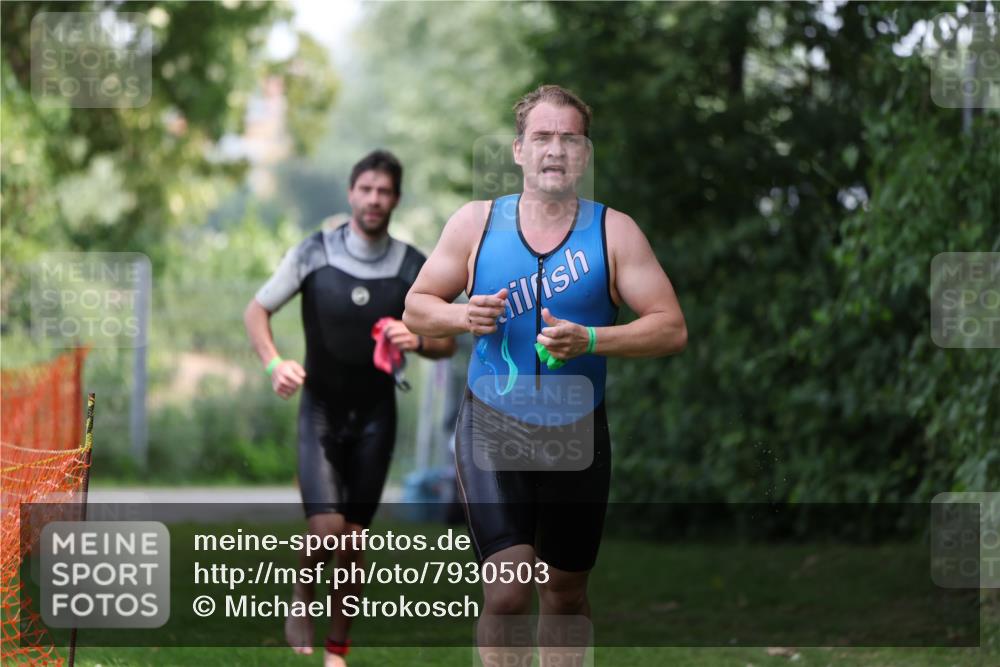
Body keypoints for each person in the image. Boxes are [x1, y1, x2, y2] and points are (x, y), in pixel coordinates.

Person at [403, 85, 687, 665]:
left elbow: (670, 328)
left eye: (569, 139)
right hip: (491, 424)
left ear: (584, 153)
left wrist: (592, 339)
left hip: (577, 431)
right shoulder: (476, 224)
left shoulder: (614, 232)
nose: (555, 149)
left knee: (564, 592)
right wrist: (463, 315)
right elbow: (416, 307)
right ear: (519, 150)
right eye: (542, 137)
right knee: (508, 591)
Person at [243, 150, 456, 666]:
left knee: (354, 542)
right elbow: (257, 310)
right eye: (366, 189)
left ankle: (337, 650)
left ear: (396, 199)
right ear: (351, 192)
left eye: (384, 191)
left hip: (377, 414)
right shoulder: (313, 252)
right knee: (325, 531)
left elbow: (447, 342)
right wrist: (274, 364)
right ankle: (302, 594)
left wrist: (417, 340)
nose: (374, 199)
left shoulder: (412, 266)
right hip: (320, 409)